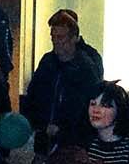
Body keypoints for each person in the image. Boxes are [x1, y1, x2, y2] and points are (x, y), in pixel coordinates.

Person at [20, 8, 104, 153]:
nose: (56, 42)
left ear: (73, 38)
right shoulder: (48, 61)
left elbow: (87, 104)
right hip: (47, 133)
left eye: (61, 38)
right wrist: (39, 123)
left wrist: (64, 128)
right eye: (53, 37)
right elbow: (33, 95)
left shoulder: (86, 67)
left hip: (74, 138)